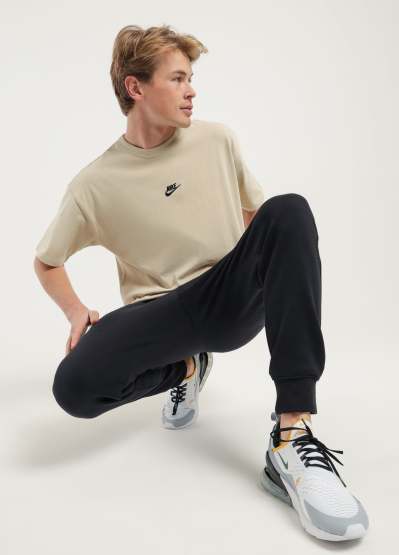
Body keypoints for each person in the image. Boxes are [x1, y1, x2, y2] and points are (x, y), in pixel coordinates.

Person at [33, 24, 369, 542]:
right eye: (178, 79)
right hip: (160, 316)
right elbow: (47, 262)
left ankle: (292, 435)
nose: (192, 90)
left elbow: (260, 219)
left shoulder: (217, 140)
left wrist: (264, 274)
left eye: (191, 78)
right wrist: (77, 311)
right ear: (135, 87)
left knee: (288, 210)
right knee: (73, 388)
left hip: (226, 297)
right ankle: (186, 368)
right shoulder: (94, 185)